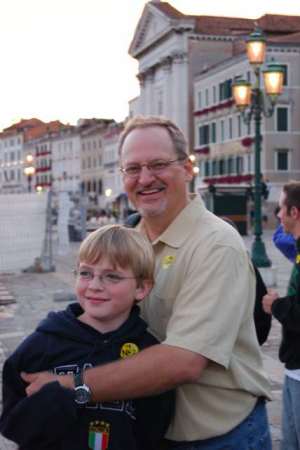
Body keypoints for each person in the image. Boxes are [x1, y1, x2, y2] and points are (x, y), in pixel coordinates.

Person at [22, 116, 272, 449]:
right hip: (146, 433)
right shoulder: (128, 240)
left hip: (219, 438)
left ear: (187, 168)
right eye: (133, 168)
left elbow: (183, 362)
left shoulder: (215, 244)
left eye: (158, 165)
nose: (145, 178)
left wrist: (70, 385)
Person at [0, 224, 174, 450]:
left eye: (112, 276)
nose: (94, 286)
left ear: (141, 288)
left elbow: (154, 430)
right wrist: (57, 400)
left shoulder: (148, 352)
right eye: (85, 273)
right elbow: (13, 425)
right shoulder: (42, 345)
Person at [263, 181, 300, 450]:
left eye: (281, 208)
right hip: (293, 367)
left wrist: (274, 305)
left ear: (294, 212)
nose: (277, 215)